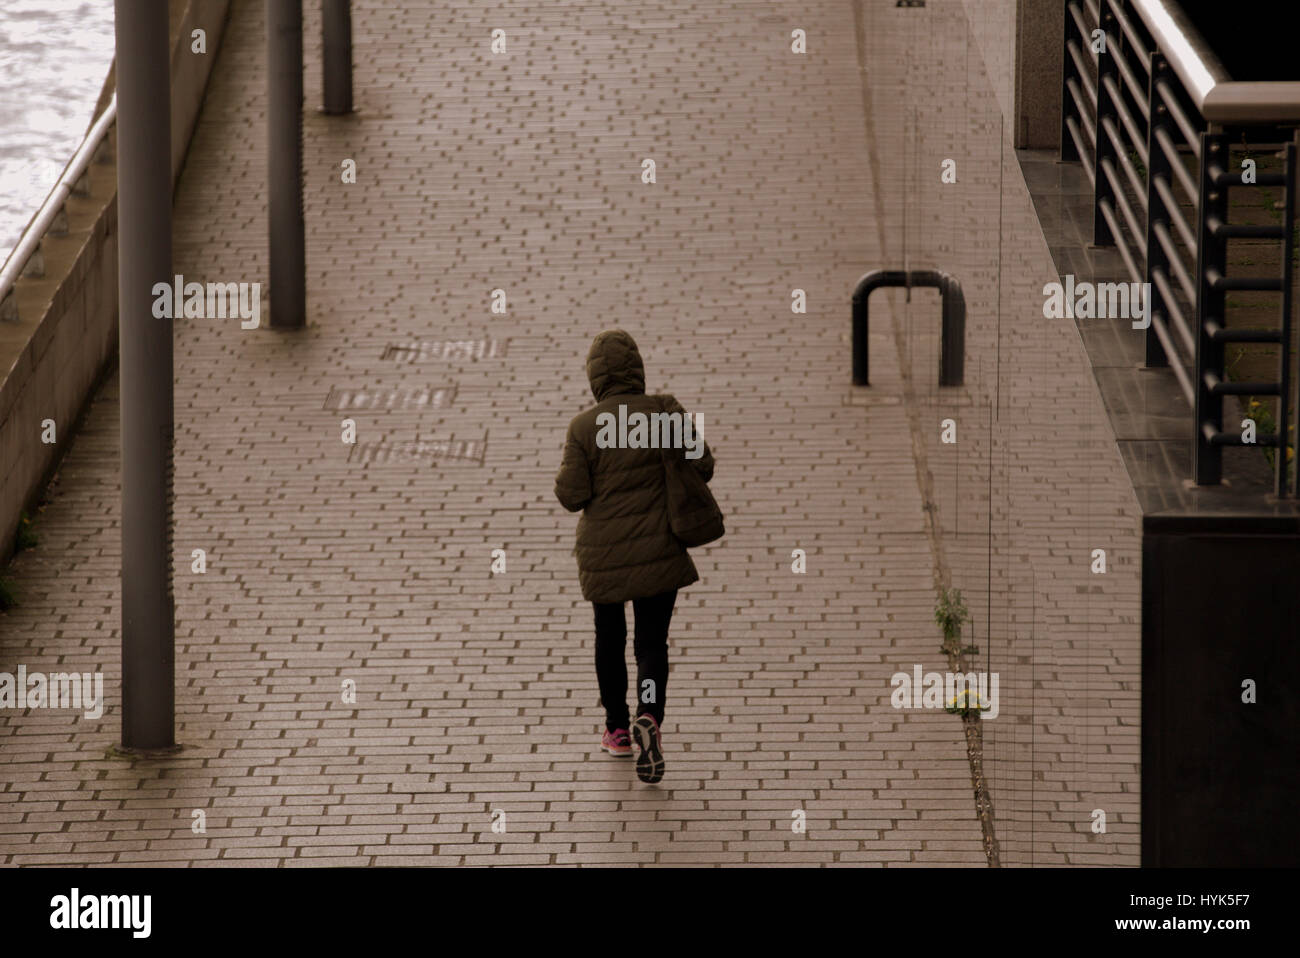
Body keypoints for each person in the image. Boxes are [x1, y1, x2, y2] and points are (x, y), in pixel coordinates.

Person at [554, 329, 714, 784]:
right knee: (650, 644)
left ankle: (618, 728)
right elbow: (703, 464)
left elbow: (572, 495)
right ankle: (650, 713)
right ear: (637, 369)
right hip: (659, 548)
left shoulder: (584, 427)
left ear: (595, 378)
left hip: (603, 554)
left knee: (609, 639)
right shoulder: (662, 411)